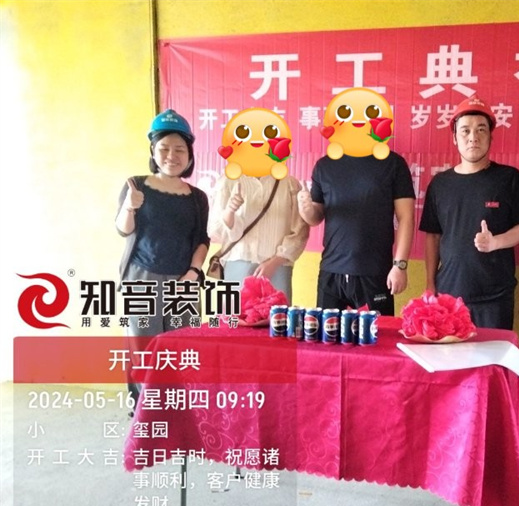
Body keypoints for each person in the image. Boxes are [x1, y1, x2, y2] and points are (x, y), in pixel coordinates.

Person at [115, 108, 210, 406]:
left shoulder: (197, 197)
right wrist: (130, 206)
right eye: (164, 148)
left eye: (180, 149)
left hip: (183, 280)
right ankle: (146, 412)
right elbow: (123, 229)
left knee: (183, 347)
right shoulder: (136, 185)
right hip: (141, 278)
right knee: (143, 348)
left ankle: (178, 410)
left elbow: (202, 240)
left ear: (190, 155)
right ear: (153, 152)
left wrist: (193, 273)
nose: (172, 155)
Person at [419, 95, 519, 329]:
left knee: (491, 353)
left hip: (495, 297)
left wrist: (495, 242)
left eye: (481, 130)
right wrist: (430, 283)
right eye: (465, 131)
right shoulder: (440, 183)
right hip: (449, 294)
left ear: (491, 136)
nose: (473, 137)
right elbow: (433, 236)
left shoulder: (509, 178)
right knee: (449, 353)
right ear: (455, 137)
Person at [297, 142, 415, 316]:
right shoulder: (324, 165)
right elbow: (315, 218)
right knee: (326, 332)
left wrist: (400, 266)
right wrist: (305, 209)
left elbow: (406, 218)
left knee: (378, 332)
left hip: (374, 271)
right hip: (331, 271)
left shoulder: (393, 163)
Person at [208, 174, 309, 303]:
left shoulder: (289, 183)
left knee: (277, 314)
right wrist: (229, 212)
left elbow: (300, 230)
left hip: (278, 267)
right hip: (238, 262)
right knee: (235, 313)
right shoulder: (227, 181)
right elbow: (215, 229)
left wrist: (275, 262)